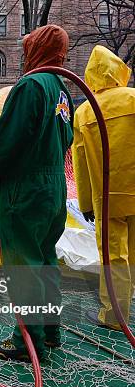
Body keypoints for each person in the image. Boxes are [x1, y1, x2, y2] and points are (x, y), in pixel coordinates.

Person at [0, 24, 74, 361]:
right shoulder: (61, 89)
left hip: (26, 189)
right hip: (53, 189)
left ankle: (26, 342)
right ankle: (50, 330)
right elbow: (67, 139)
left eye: (27, 48)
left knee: (24, 265)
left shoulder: (31, 85)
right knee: (45, 258)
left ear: (37, 50)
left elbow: (8, 138)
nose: (22, 56)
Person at [72, 45, 135, 330]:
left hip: (107, 197)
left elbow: (81, 164)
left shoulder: (85, 111)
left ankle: (114, 316)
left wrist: (85, 203)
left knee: (114, 257)